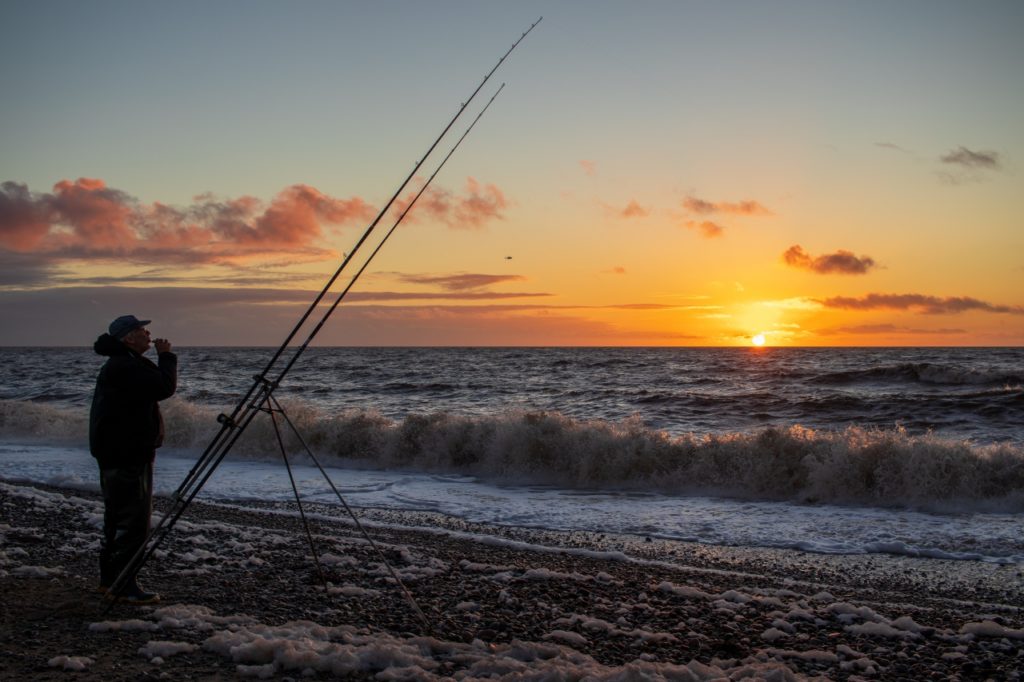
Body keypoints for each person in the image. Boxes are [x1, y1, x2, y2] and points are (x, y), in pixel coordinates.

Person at [89, 314, 177, 604]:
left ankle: (110, 581)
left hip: (116, 451)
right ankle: (123, 585)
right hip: (127, 453)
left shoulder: (122, 363)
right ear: (128, 337)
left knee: (117, 518)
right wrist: (167, 357)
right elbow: (163, 388)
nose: (147, 334)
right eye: (141, 330)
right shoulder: (125, 365)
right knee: (133, 521)